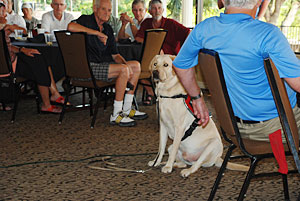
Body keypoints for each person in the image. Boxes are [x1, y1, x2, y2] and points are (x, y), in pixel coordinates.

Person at [173, 0, 300, 142]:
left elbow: (180, 65)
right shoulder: (268, 34)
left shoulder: (203, 29)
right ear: (258, 1)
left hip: (232, 125)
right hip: (276, 126)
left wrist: (197, 98)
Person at [67, 0, 147, 127]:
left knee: (135, 66)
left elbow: (115, 55)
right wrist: (96, 33)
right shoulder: (86, 20)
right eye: (104, 9)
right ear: (95, 8)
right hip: (88, 67)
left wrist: (126, 65)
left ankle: (126, 109)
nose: (107, 13)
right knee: (123, 70)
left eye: (109, 10)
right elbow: (70, 27)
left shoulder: (108, 28)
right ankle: (116, 114)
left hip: (104, 65)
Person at [0, 0, 65, 114]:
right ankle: (47, 104)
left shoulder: (4, 29)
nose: (5, 14)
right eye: (2, 12)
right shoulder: (2, 29)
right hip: (9, 66)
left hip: (9, 61)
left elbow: (7, 47)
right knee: (39, 61)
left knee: (38, 57)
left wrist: (22, 50)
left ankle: (53, 94)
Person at [135, 0, 190, 105]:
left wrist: (184, 51)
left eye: (159, 8)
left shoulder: (171, 23)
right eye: (154, 8)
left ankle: (164, 94)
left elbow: (188, 32)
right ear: (150, 11)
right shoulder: (146, 23)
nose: (157, 11)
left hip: (169, 59)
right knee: (137, 68)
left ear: (163, 10)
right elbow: (138, 38)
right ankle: (152, 93)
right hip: (151, 58)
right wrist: (155, 44)